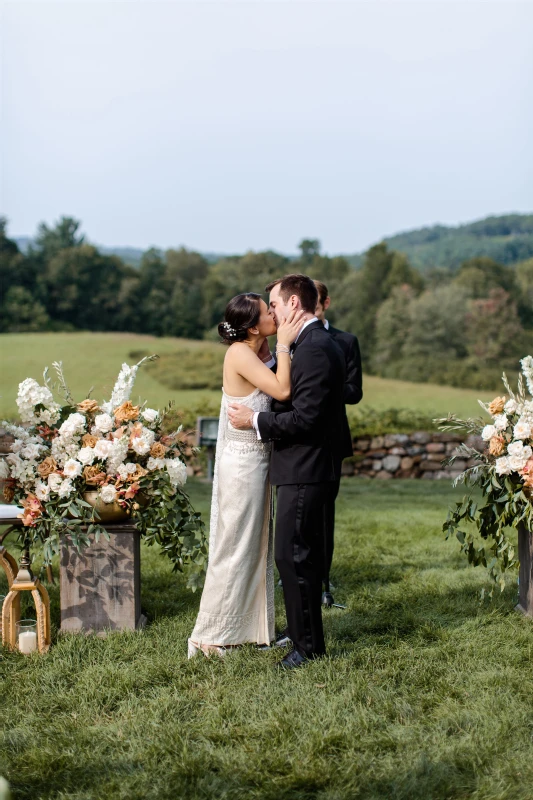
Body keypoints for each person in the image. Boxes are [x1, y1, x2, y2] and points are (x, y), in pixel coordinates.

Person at [228, 275, 346, 669]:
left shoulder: (313, 347)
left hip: (306, 466)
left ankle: (307, 648)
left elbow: (307, 419)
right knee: (296, 557)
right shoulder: (310, 342)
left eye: (274, 304)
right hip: (304, 465)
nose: (273, 313)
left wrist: (256, 422)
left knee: (294, 557)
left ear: (294, 303)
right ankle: (302, 637)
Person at [188, 293, 304, 657]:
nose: (275, 314)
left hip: (257, 461)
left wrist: (275, 346)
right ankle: (209, 637)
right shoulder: (239, 353)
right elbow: (282, 389)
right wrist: (285, 346)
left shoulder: (257, 350)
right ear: (252, 326)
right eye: (269, 312)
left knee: (254, 547)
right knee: (235, 547)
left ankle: (249, 629)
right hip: (243, 464)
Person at [314, 280, 363, 606]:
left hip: (331, 439)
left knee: (324, 515)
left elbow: (354, 391)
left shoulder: (346, 341)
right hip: (295, 438)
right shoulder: (286, 340)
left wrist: (322, 390)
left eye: (314, 304)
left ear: (326, 303)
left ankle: (323, 582)